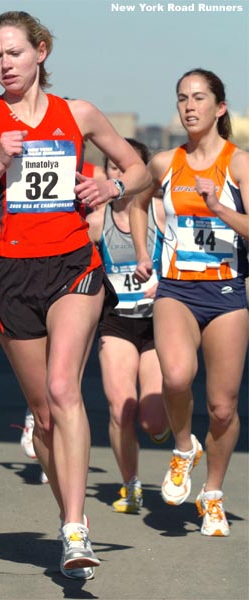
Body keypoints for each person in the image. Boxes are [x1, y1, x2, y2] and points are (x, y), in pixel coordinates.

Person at [0, 10, 151, 580]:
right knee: (44, 415)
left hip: (71, 266)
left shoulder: (76, 113)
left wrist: (110, 184)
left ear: (41, 52)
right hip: (10, 275)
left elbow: (141, 168)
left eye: (13, 52)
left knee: (65, 389)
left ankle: (77, 529)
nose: (4, 64)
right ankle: (68, 520)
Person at [130, 68, 249, 537]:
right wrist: (143, 251)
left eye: (199, 97)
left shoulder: (238, 164)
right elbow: (137, 203)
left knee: (223, 407)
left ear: (220, 107)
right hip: (176, 288)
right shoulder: (163, 163)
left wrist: (220, 208)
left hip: (226, 292)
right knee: (176, 376)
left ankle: (213, 494)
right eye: (182, 98)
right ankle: (184, 449)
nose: (189, 106)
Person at [86, 139, 169, 514]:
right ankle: (130, 484)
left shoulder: (159, 211)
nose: (118, 174)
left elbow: (184, 254)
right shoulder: (97, 218)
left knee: (152, 421)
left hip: (157, 323)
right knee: (121, 407)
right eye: (112, 167)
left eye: (125, 167)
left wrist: (164, 282)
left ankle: (168, 422)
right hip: (115, 322)